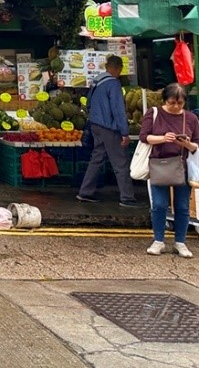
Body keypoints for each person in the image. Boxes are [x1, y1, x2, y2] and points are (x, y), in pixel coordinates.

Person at [139, 82, 199, 258]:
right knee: (158, 204)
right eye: (172, 102)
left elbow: (196, 144)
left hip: (183, 165)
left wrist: (186, 143)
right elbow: (144, 137)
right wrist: (163, 138)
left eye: (180, 103)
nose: (175, 106)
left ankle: (180, 242)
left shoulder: (191, 119)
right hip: (159, 164)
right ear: (165, 99)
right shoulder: (154, 113)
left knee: (182, 206)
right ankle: (158, 240)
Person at [76, 55, 138, 207]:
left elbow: (88, 103)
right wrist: (124, 132)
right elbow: (118, 109)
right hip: (109, 127)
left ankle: (85, 192)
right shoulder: (113, 84)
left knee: (97, 159)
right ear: (118, 68)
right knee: (120, 162)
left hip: (95, 125)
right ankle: (127, 198)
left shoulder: (97, 81)